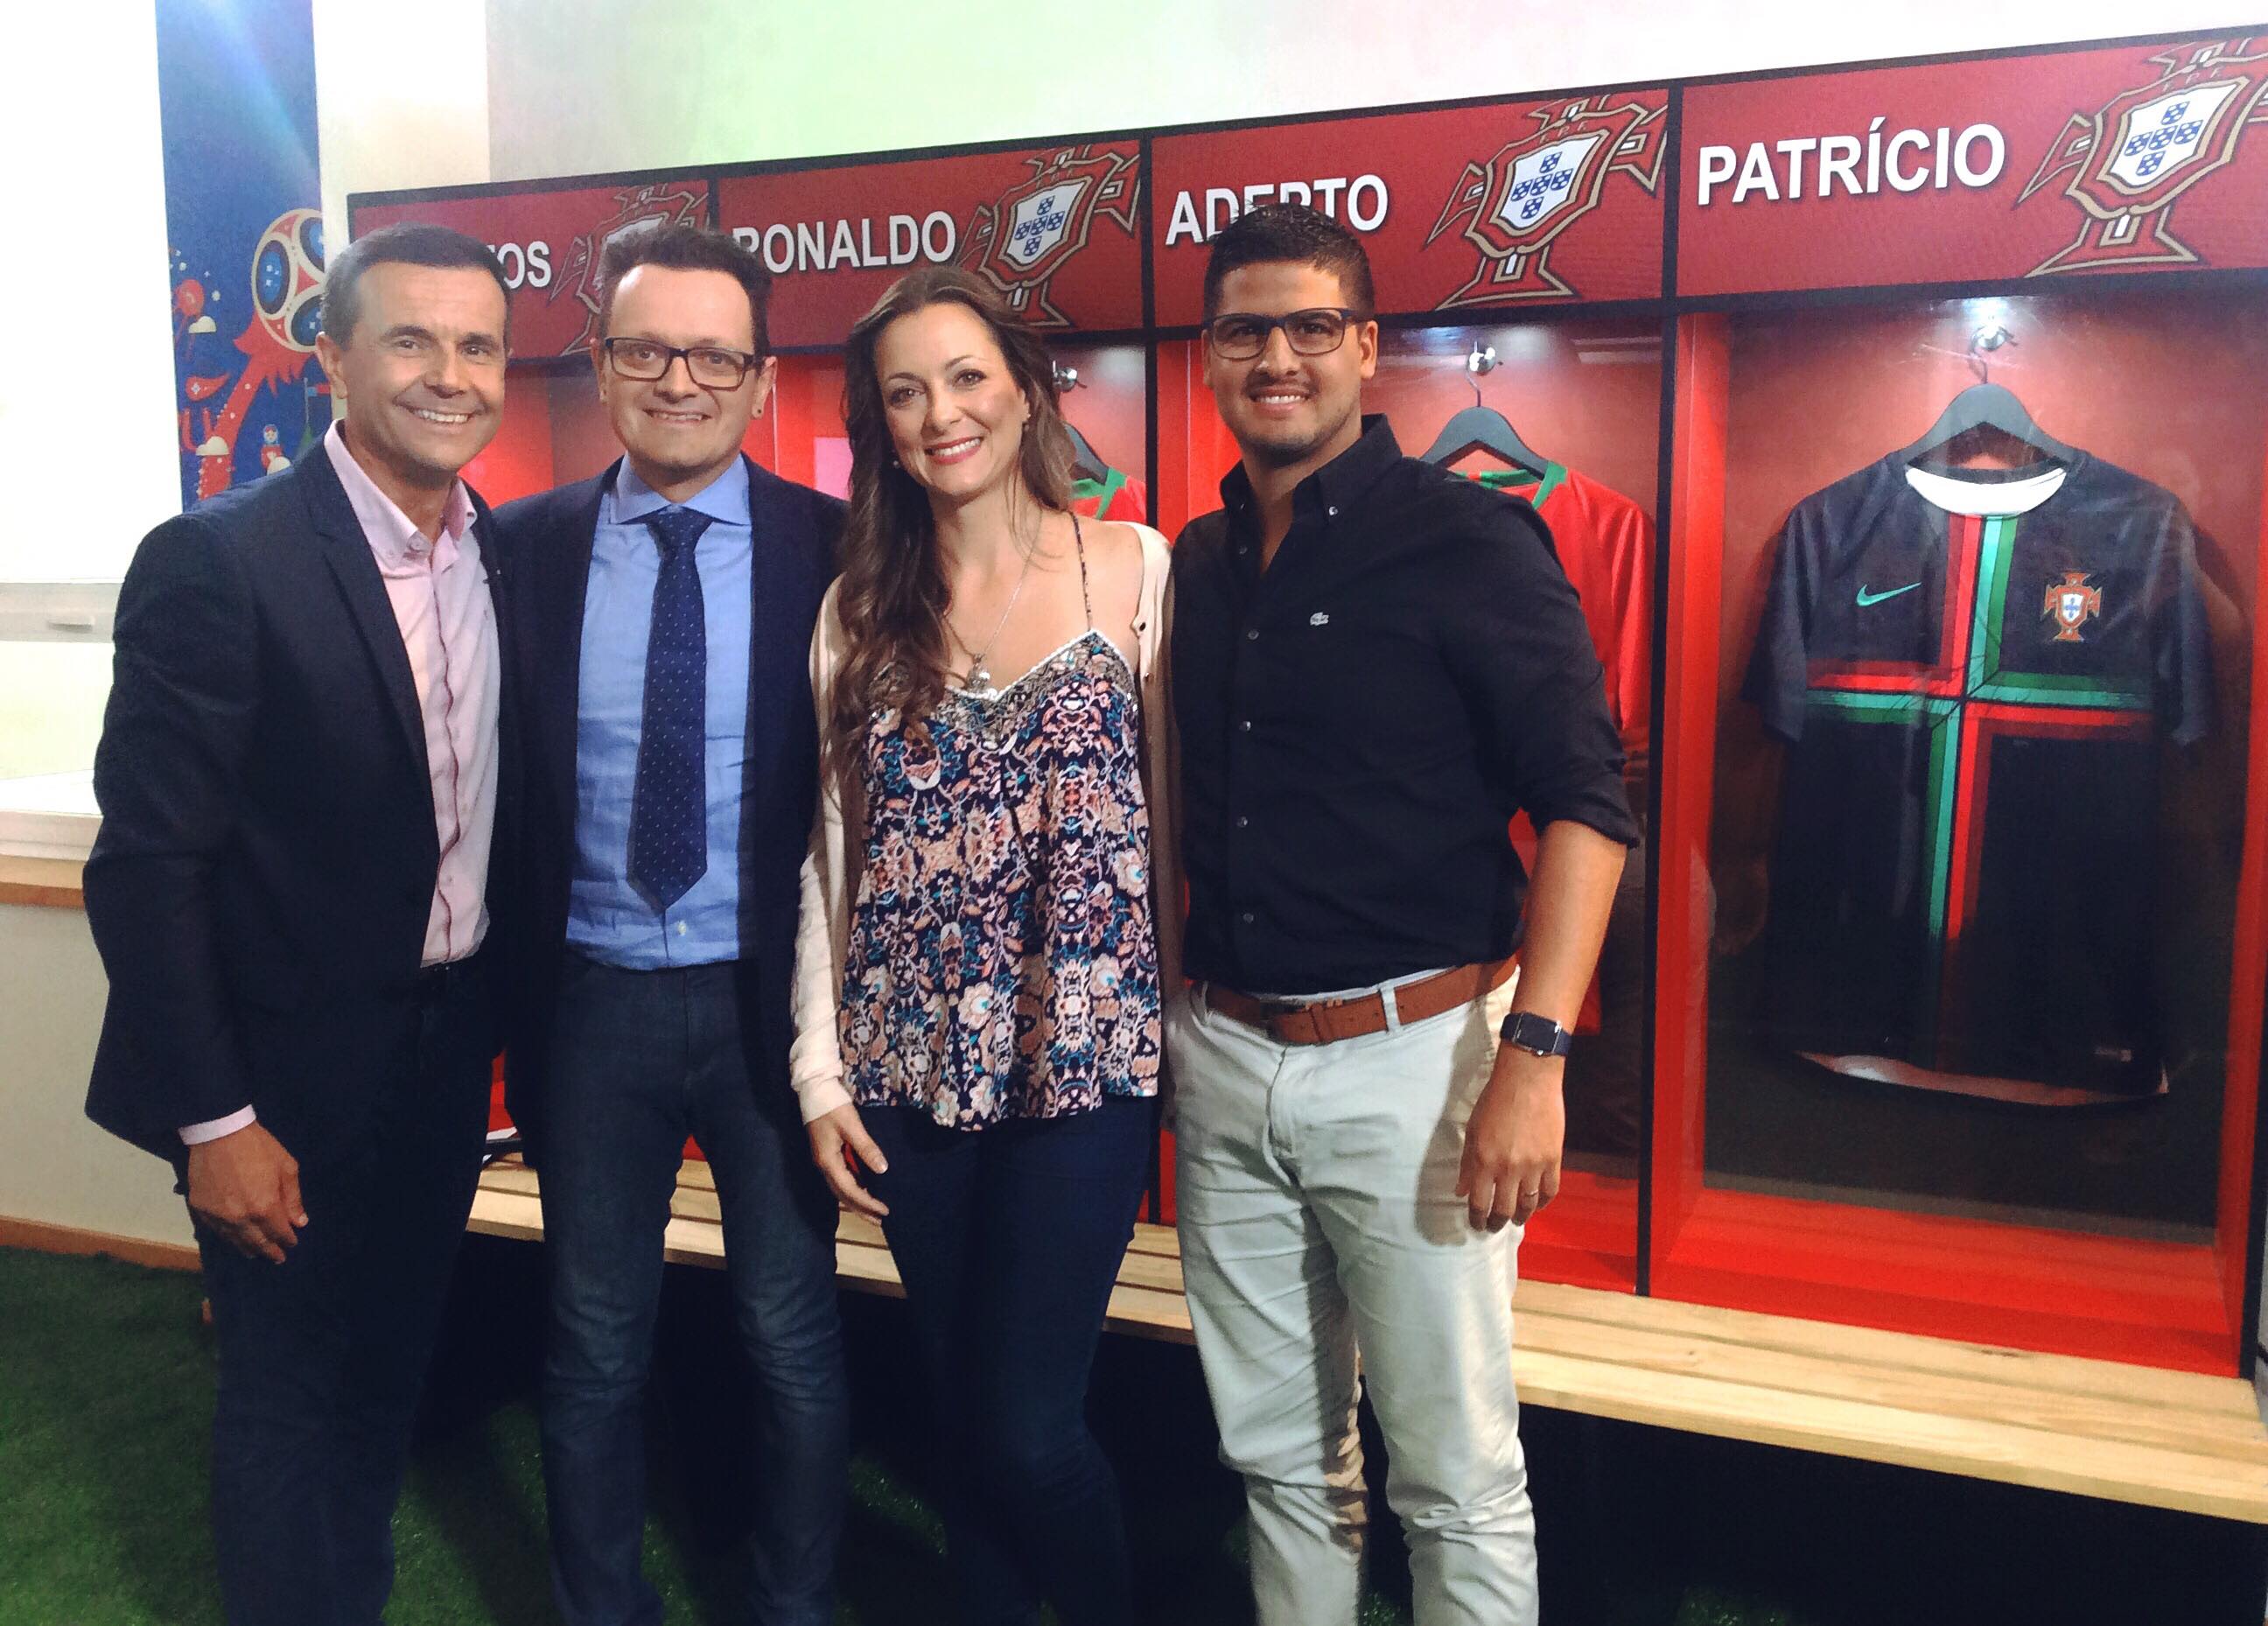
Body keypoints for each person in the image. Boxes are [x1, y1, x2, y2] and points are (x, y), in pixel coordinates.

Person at [1165, 203, 1639, 1626]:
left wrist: (1535, 1059)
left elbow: (1587, 803)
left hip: (1419, 1068)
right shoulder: (1197, 559)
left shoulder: (1471, 539)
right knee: (1278, 1461)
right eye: (1246, 330)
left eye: (1312, 326)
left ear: (1369, 347)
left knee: (1455, 1476)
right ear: (1208, 355)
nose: (1279, 358)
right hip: (1226, 1060)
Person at [83, 222, 515, 1626]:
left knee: (385, 1381)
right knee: (285, 1400)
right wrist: (215, 1122)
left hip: (439, 1065)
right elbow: (147, 866)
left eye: (477, 345)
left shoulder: (496, 552)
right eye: (410, 339)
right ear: (330, 357)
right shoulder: (221, 560)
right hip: (276, 1089)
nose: (448, 373)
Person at [792, 264, 1177, 1626]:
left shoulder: (1137, 568)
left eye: (965, 377)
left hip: (1086, 1059)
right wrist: (820, 1070)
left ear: (1026, 390)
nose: (940, 412)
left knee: (1027, 1421)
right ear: (883, 428)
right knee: (961, 1411)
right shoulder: (856, 610)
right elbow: (828, 854)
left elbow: (1179, 823)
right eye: (905, 393)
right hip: (905, 1063)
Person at [489, 222, 849, 1626]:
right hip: (589, 1004)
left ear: (759, 377)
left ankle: (793, 1603)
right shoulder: (523, 548)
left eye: (713, 355)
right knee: (591, 1342)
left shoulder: (834, 547)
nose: (680, 380)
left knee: (790, 1334)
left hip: (770, 1005)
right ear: (600, 363)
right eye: (647, 350)